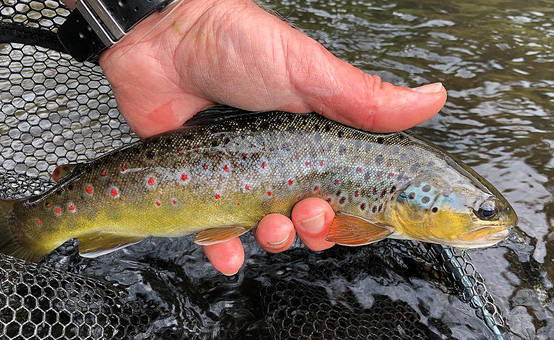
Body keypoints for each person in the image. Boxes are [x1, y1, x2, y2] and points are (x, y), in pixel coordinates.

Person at [61, 0, 447, 275]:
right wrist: (182, 19)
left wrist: (174, 17)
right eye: (483, 213)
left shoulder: (404, 174)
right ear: (423, 197)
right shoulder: (402, 176)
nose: (489, 221)